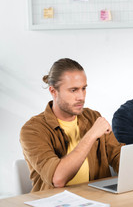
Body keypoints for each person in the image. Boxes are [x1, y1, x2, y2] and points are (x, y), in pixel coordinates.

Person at [20, 58, 124, 192]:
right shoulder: (32, 130)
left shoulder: (93, 117)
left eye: (83, 88)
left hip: (97, 198)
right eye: (73, 90)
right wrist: (92, 134)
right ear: (53, 91)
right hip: (55, 201)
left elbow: (117, 156)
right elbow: (57, 179)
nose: (81, 97)